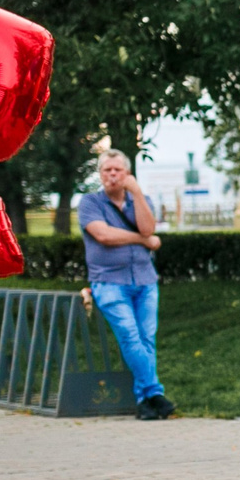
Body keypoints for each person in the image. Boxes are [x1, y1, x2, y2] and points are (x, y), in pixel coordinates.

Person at [78, 150, 173, 420]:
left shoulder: (139, 200)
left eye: (117, 170)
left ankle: (145, 402)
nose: (112, 175)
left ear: (127, 174)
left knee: (146, 339)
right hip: (109, 282)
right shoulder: (90, 203)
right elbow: (104, 235)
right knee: (130, 337)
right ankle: (155, 393)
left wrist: (138, 195)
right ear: (100, 174)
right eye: (107, 170)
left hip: (144, 280)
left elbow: (148, 227)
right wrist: (143, 242)